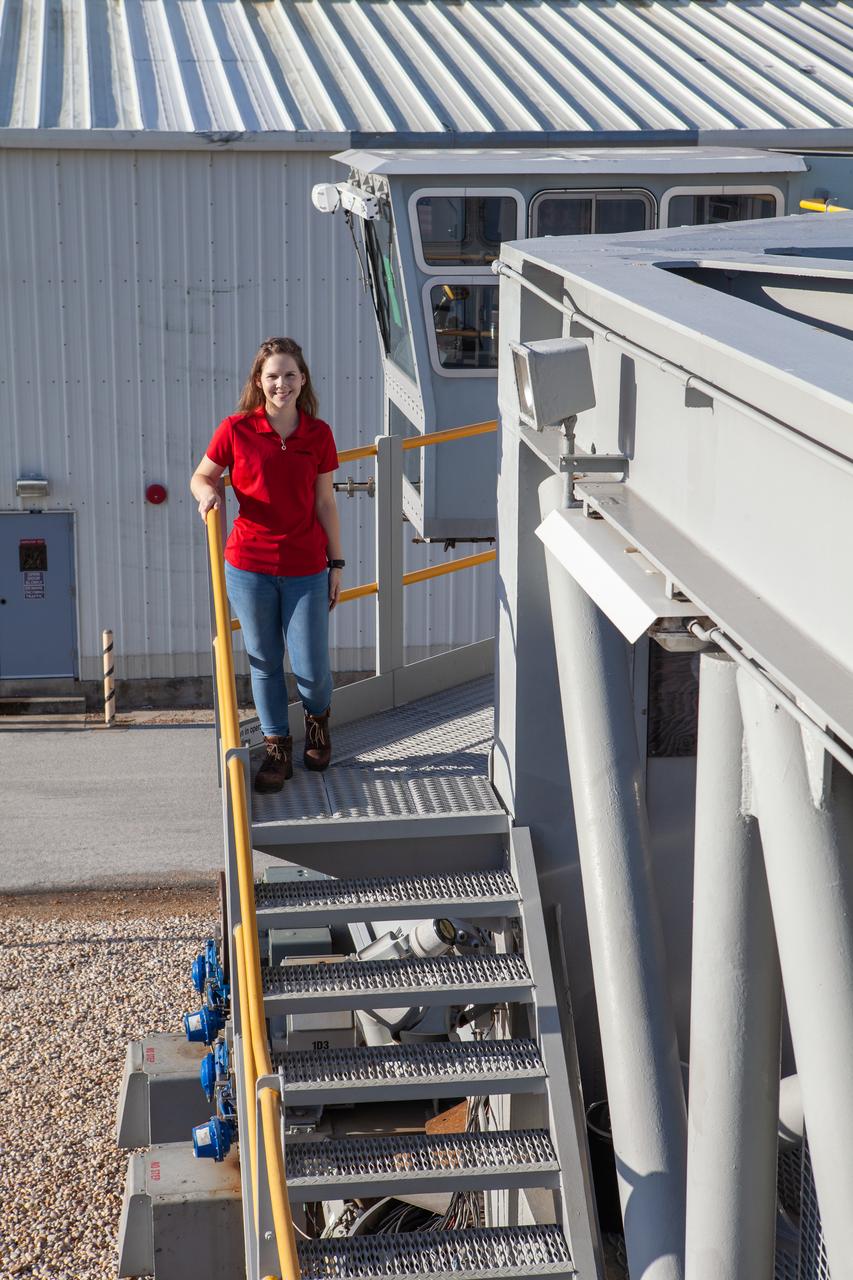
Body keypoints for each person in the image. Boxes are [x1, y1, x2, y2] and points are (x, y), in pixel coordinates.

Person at [191, 337, 344, 793]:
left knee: (312, 666)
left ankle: (317, 725)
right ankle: (277, 748)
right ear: (259, 381)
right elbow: (200, 475)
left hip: (305, 568)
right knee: (265, 662)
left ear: (303, 380)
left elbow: (326, 502)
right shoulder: (236, 429)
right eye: (272, 376)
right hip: (249, 565)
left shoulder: (318, 434)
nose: (281, 384)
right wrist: (209, 493)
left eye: (290, 375)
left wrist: (336, 563)